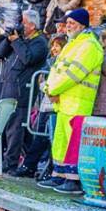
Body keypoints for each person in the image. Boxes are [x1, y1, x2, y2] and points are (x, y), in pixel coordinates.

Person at [38, 8, 102, 194]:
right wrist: (49, 89)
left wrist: (53, 89)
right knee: (60, 140)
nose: (68, 27)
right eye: (67, 24)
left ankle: (73, 179)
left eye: (72, 23)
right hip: (64, 101)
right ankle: (59, 174)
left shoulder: (89, 45)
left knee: (73, 142)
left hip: (79, 102)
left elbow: (73, 74)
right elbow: (57, 69)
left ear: (82, 25)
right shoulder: (73, 43)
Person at [0, 9, 49, 169]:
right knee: (8, 127)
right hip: (7, 88)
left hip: (22, 92)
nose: (20, 26)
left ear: (32, 25)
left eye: (23, 22)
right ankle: (9, 161)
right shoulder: (20, 39)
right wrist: (9, 39)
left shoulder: (40, 42)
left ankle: (11, 164)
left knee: (14, 130)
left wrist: (16, 41)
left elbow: (28, 58)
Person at [13, 33, 69, 178]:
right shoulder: (50, 62)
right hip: (46, 102)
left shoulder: (63, 63)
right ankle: (30, 165)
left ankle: (41, 167)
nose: (55, 48)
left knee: (48, 139)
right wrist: (46, 88)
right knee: (40, 136)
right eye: (54, 45)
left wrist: (49, 89)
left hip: (56, 105)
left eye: (58, 45)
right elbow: (41, 79)